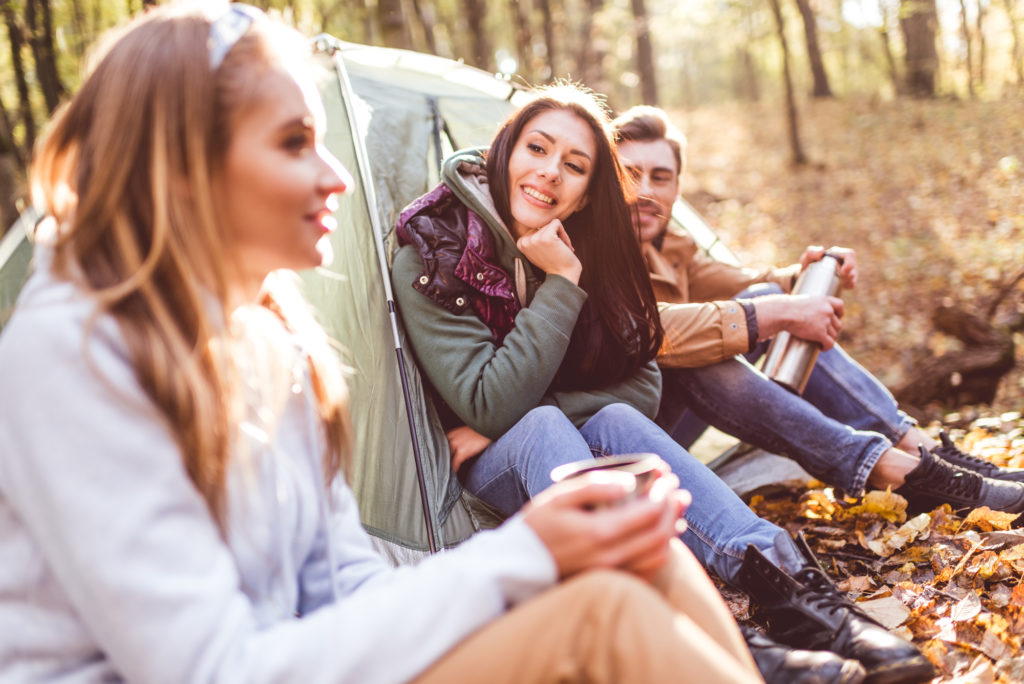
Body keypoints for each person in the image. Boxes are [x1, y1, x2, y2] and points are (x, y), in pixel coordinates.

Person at [0, 4, 767, 683]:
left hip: (314, 658)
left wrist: (551, 547)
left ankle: (792, 607)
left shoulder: (277, 346)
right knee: (600, 611)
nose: (335, 176)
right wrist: (525, 552)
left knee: (641, 551)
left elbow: (352, 591)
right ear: (184, 163)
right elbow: (211, 668)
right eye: (295, 142)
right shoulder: (70, 355)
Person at [391, 84, 932, 684]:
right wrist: (561, 286)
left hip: (547, 444)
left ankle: (803, 599)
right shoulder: (433, 252)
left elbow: (643, 381)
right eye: (537, 149)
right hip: (482, 468)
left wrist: (570, 283)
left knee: (615, 421)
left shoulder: (589, 242)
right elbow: (492, 405)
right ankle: (721, 640)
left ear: (589, 190)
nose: (550, 174)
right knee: (542, 423)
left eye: (574, 166)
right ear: (504, 151)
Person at [611, 105, 1024, 517]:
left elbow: (745, 280)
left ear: (677, 188)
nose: (645, 190)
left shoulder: (669, 253)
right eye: (630, 174)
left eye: (660, 176)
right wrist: (777, 311)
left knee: (767, 295)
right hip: (617, 441)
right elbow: (651, 331)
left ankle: (923, 452)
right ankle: (886, 469)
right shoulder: (593, 252)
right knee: (691, 351)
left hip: (665, 420)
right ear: (605, 181)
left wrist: (805, 275)